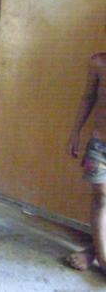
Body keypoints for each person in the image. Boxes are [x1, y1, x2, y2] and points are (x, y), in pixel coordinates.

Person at [67, 52, 106, 272]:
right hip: (99, 146)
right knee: (101, 198)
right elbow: (88, 97)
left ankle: (94, 251)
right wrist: (75, 132)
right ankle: (103, 258)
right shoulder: (99, 63)